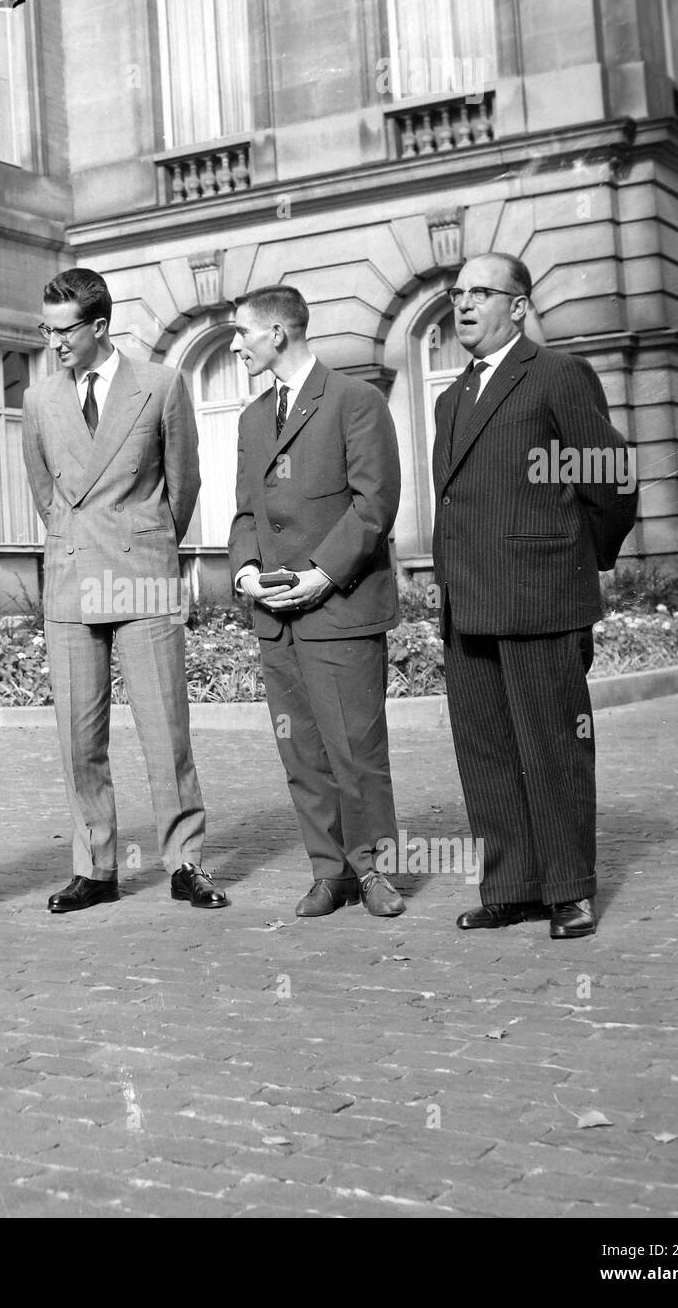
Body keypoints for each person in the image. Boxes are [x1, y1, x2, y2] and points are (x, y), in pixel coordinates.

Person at [432, 252, 639, 939]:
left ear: (518, 306)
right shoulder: (450, 396)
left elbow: (609, 482)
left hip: (541, 597)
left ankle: (569, 889)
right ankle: (514, 886)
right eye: (458, 293)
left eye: (481, 293)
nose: (463, 305)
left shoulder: (556, 375)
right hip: (469, 604)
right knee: (485, 752)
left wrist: (577, 562)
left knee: (554, 748)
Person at [22, 267, 224, 912]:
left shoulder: (161, 386)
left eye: (63, 330)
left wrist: (146, 542)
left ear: (99, 326)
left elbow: (181, 486)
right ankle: (95, 869)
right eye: (45, 329)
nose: (53, 343)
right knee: (79, 739)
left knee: (165, 731)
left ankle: (186, 863)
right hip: (73, 576)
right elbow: (46, 494)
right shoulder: (38, 400)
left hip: (141, 576)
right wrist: (72, 541)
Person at [229, 285, 407, 920]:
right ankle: (329, 873)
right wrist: (246, 568)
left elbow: (374, 505)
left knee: (357, 751)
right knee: (301, 754)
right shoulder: (252, 418)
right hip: (276, 618)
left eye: (242, 332)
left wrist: (322, 575)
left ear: (277, 334)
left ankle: (375, 872)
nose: (235, 344)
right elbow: (247, 511)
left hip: (340, 609)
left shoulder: (356, 402)